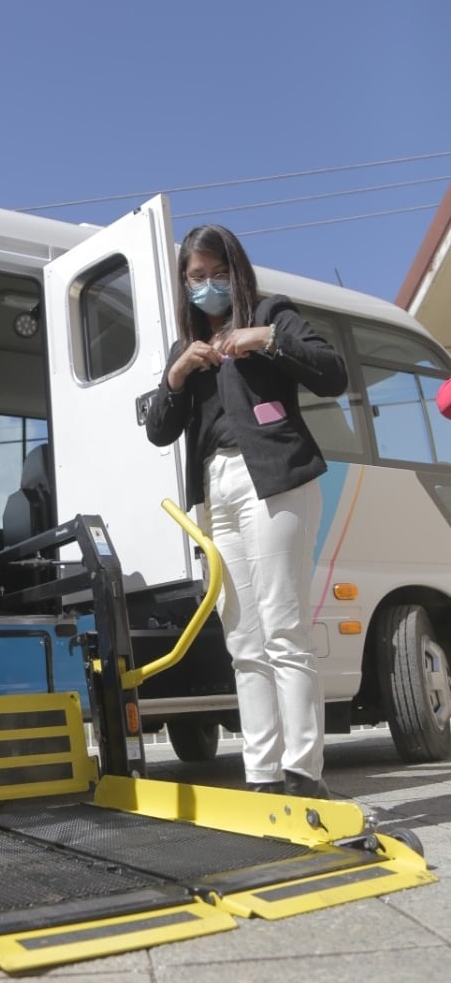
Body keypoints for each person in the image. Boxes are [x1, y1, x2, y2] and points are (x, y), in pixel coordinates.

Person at [146, 225, 347, 798]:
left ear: (236, 271)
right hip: (216, 488)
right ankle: (261, 775)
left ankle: (303, 774)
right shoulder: (185, 346)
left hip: (274, 478)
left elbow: (332, 372)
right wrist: (177, 373)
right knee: (243, 639)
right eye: (195, 277)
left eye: (216, 273)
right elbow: (161, 430)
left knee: (284, 627)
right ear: (183, 284)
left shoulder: (272, 313)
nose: (207, 285)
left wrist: (267, 339)